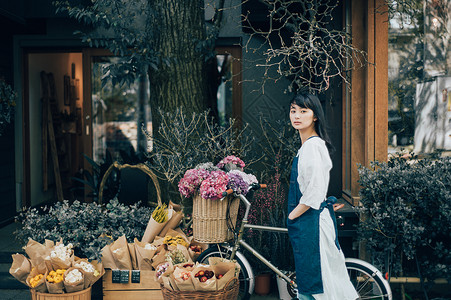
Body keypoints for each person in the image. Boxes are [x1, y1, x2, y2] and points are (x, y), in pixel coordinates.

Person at [287, 93, 358, 300]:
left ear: (315, 115)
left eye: (303, 111)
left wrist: (292, 216)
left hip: (312, 224)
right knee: (316, 284)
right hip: (311, 222)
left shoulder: (312, 146)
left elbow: (314, 193)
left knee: (318, 286)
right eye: (293, 111)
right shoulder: (308, 146)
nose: (297, 116)